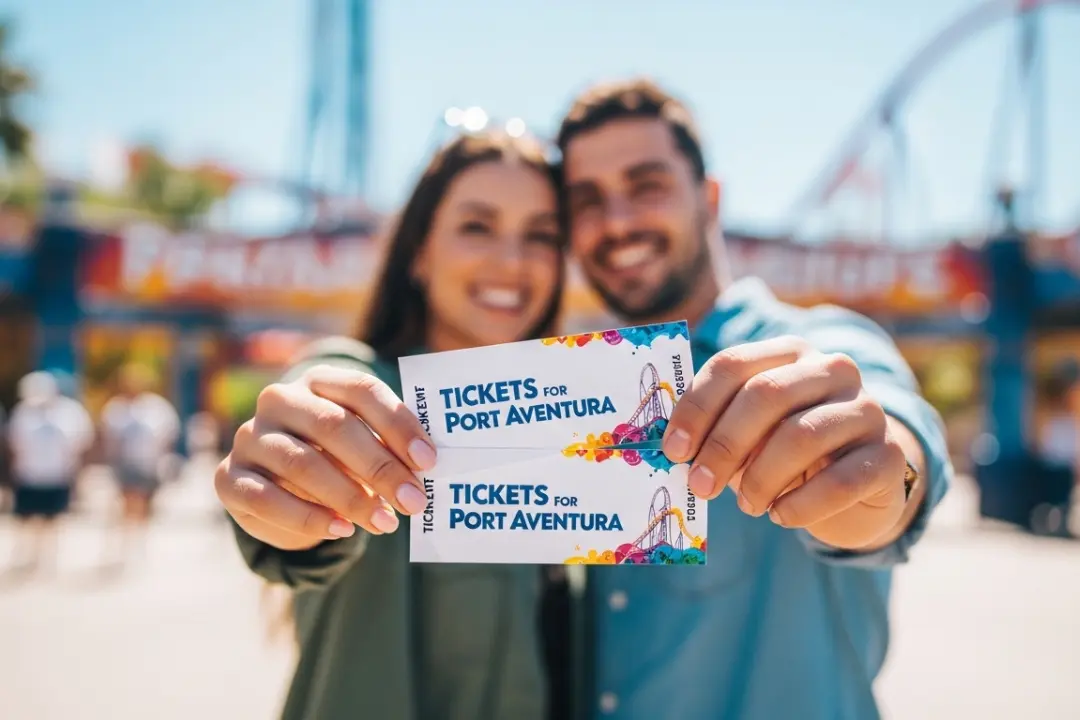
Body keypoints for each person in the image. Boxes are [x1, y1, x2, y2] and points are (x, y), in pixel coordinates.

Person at [545, 78, 952, 719]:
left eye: (646, 185)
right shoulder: (576, 400)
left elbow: (892, 443)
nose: (617, 222)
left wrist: (880, 476)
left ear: (708, 198)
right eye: (587, 200)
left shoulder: (816, 346)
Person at [216, 130, 565, 720]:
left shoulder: (571, 435)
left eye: (541, 235)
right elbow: (323, 410)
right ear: (419, 253)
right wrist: (292, 482)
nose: (513, 260)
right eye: (477, 226)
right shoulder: (367, 389)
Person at [6, 371, 94, 574]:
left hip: (57, 474)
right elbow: (13, 444)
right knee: (25, 520)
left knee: (53, 520)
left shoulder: (70, 412)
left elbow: (82, 444)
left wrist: (79, 474)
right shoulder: (23, 412)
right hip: (28, 474)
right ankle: (26, 555)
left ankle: (48, 559)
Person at [100, 363, 181, 565]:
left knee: (144, 505)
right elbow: (107, 439)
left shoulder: (157, 407)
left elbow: (168, 436)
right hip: (125, 464)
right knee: (125, 504)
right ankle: (124, 544)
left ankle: (140, 543)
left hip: (149, 464)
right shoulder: (116, 408)